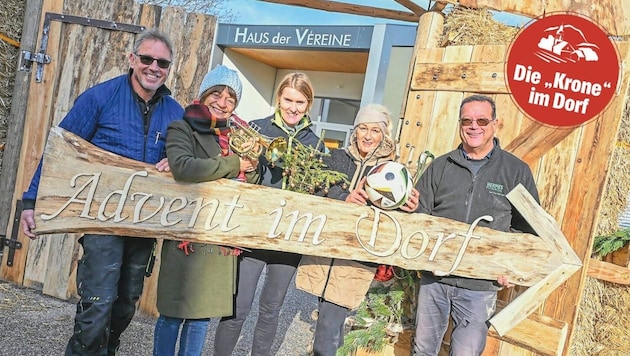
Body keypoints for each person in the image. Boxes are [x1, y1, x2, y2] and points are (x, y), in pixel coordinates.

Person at [19, 29, 184, 356]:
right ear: (132, 59)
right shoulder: (99, 98)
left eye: (162, 62)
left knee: (125, 305)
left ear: (169, 68)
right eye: (147, 59)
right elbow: (59, 150)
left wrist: (177, 162)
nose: (154, 67)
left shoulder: (175, 113)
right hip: (101, 220)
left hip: (143, 222)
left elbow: (191, 160)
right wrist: (31, 201)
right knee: (98, 305)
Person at [413, 94, 539, 356]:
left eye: (482, 120)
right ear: (460, 124)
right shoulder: (440, 166)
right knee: (423, 350)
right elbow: (419, 216)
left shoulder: (515, 171)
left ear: (495, 124)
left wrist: (509, 266)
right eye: (467, 120)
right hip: (435, 279)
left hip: (480, 285)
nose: (474, 127)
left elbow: (529, 230)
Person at [152, 65, 260, 356]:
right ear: (204, 94)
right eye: (217, 93)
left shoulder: (238, 136)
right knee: (172, 315)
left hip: (219, 241)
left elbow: (251, 183)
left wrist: (252, 167)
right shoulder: (182, 127)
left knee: (200, 319)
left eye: (230, 98)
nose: (223, 102)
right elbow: (184, 167)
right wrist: (234, 164)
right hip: (187, 235)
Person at [295, 103, 420, 356]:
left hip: (354, 261)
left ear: (384, 135)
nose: (367, 135)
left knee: (327, 332)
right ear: (354, 131)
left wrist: (411, 206)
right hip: (325, 252)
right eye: (362, 128)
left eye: (375, 130)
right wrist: (343, 196)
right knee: (331, 327)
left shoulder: (392, 171)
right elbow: (316, 189)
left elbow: (397, 210)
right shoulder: (336, 158)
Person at [214, 72, 324, 356]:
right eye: (288, 99)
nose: (293, 107)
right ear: (279, 98)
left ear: (308, 104)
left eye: (300, 102)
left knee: (271, 309)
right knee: (238, 306)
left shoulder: (315, 143)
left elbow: (321, 190)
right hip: (254, 231)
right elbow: (237, 174)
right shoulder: (256, 129)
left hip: (288, 238)